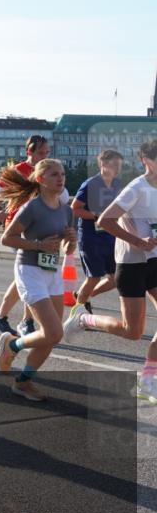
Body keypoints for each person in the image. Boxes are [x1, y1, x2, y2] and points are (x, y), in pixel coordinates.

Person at [69, 141, 157, 403]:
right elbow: (104, 220)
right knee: (132, 331)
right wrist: (139, 242)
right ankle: (84, 320)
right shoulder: (136, 188)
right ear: (147, 161)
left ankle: (147, 381)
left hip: (154, 261)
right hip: (131, 264)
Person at [0, 158, 76, 402]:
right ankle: (12, 346)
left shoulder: (66, 209)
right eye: (53, 174)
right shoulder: (32, 208)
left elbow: (68, 248)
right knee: (52, 331)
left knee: (54, 335)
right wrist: (38, 245)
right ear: (40, 179)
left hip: (52, 273)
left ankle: (23, 382)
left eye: (62, 173)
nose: (60, 178)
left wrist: (71, 239)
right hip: (29, 270)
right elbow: (7, 239)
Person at [0, 135, 68, 337]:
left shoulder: (50, 172)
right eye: (40, 153)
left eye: (47, 153)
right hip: (20, 228)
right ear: (29, 152)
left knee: (26, 274)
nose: (44, 156)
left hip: (41, 229)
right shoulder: (19, 171)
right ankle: (27, 321)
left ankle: (1, 316)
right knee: (31, 270)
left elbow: (65, 198)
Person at [69, 150, 123, 314]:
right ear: (103, 164)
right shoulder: (90, 184)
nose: (117, 168)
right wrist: (97, 215)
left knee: (116, 279)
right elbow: (75, 209)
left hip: (110, 236)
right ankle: (77, 313)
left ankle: (82, 296)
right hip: (91, 237)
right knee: (94, 277)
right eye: (114, 164)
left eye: (119, 165)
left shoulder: (117, 184)